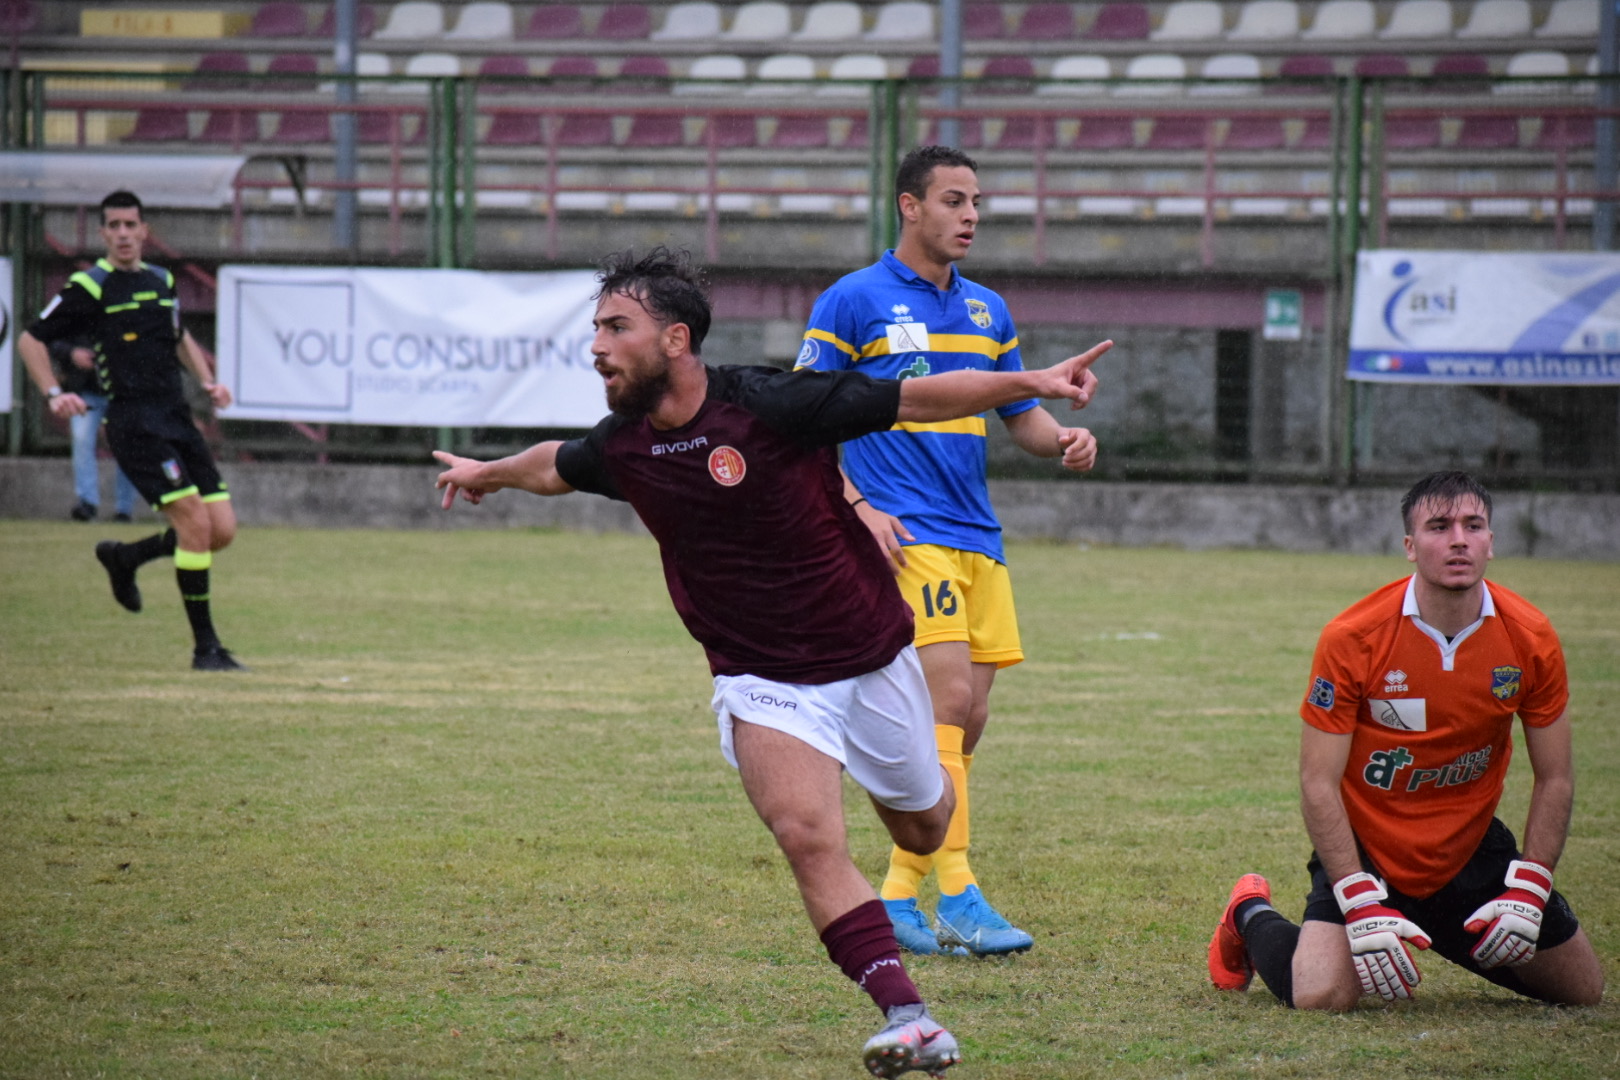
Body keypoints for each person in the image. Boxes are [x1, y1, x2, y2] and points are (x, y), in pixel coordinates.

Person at [434, 247, 1110, 1077]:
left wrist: (1032, 382)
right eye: (597, 328)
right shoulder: (626, 447)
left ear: (676, 339)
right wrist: (487, 475)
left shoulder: (770, 403)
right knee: (805, 834)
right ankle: (910, 1016)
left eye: (617, 327)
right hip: (760, 677)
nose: (597, 346)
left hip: (868, 655)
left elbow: (917, 397)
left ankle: (925, 843)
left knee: (924, 823)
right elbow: (552, 464)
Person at [793, 145, 1099, 957]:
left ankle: (896, 895)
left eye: (977, 203)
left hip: (978, 537)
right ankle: (959, 893)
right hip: (906, 533)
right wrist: (857, 505)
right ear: (910, 206)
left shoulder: (988, 310)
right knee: (947, 706)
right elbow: (801, 418)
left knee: (966, 726)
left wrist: (1061, 433)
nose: (970, 216)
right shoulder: (852, 301)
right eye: (955, 200)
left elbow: (1019, 421)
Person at [1207, 471, 1604, 1010]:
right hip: (1369, 850)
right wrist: (1355, 894)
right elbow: (1317, 781)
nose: (1458, 539)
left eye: (1473, 525)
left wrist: (1530, 885)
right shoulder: (1353, 638)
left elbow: (1555, 776)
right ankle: (1248, 915)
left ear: (1491, 541)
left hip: (1469, 848)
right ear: (1410, 547)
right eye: (1439, 526)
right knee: (1322, 994)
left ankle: (1442, 923)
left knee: (1583, 990)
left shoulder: (1531, 637)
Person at [18, 190, 246, 672]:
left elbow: (178, 334)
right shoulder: (91, 286)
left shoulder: (162, 280)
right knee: (195, 525)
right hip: (133, 422)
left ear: (144, 230)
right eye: (114, 225)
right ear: (103, 233)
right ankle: (206, 649)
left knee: (220, 530)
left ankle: (126, 558)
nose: (123, 233)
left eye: (131, 224)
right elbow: (30, 338)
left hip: (176, 417)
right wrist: (53, 392)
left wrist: (207, 380)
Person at [50, 335, 139, 523]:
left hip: (124, 390)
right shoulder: (79, 307)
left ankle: (124, 509)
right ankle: (87, 503)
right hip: (85, 389)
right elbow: (48, 336)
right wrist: (72, 353)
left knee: (128, 446)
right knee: (82, 439)